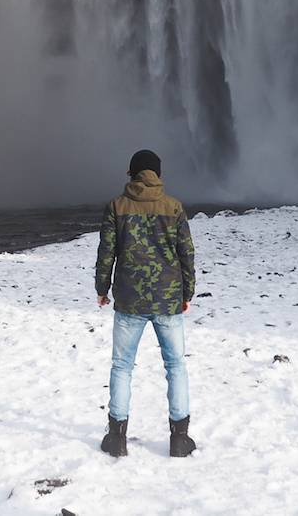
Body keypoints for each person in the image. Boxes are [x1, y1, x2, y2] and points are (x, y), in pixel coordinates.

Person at [94, 149, 196, 458]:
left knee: (122, 366)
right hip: (168, 299)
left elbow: (106, 252)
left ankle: (117, 439)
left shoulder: (116, 206)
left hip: (128, 298)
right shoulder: (174, 207)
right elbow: (186, 255)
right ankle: (179, 439)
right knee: (176, 365)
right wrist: (187, 294)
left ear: (132, 174)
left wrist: (102, 288)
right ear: (158, 174)